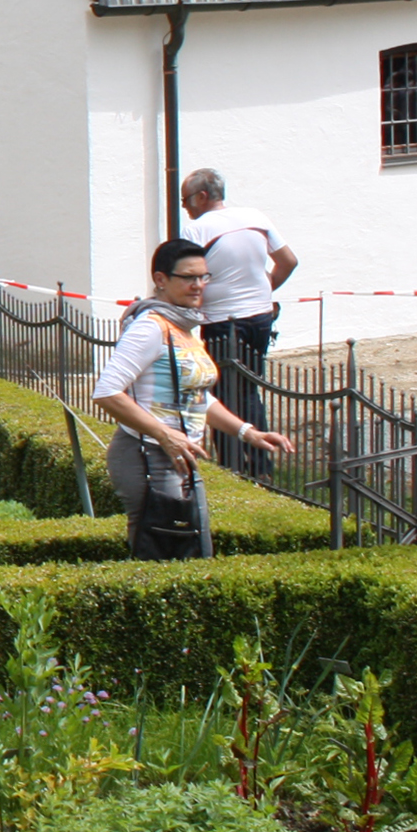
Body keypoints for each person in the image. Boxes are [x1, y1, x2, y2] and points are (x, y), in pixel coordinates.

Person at [91, 239, 296, 559]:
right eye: (188, 277)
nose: (198, 285)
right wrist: (164, 433)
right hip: (147, 454)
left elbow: (198, 398)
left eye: (204, 276)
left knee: (196, 552)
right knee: (167, 556)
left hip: (180, 453)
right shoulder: (150, 327)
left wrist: (248, 432)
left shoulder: (183, 326)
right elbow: (106, 391)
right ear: (161, 280)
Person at [179, 168, 300, 467]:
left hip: (221, 321)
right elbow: (289, 261)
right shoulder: (256, 217)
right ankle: (261, 465)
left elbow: (188, 274)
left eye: (186, 200)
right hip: (260, 316)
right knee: (248, 387)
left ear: (202, 196)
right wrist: (263, 288)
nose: (184, 206)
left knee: (220, 392)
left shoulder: (196, 230)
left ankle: (233, 464)